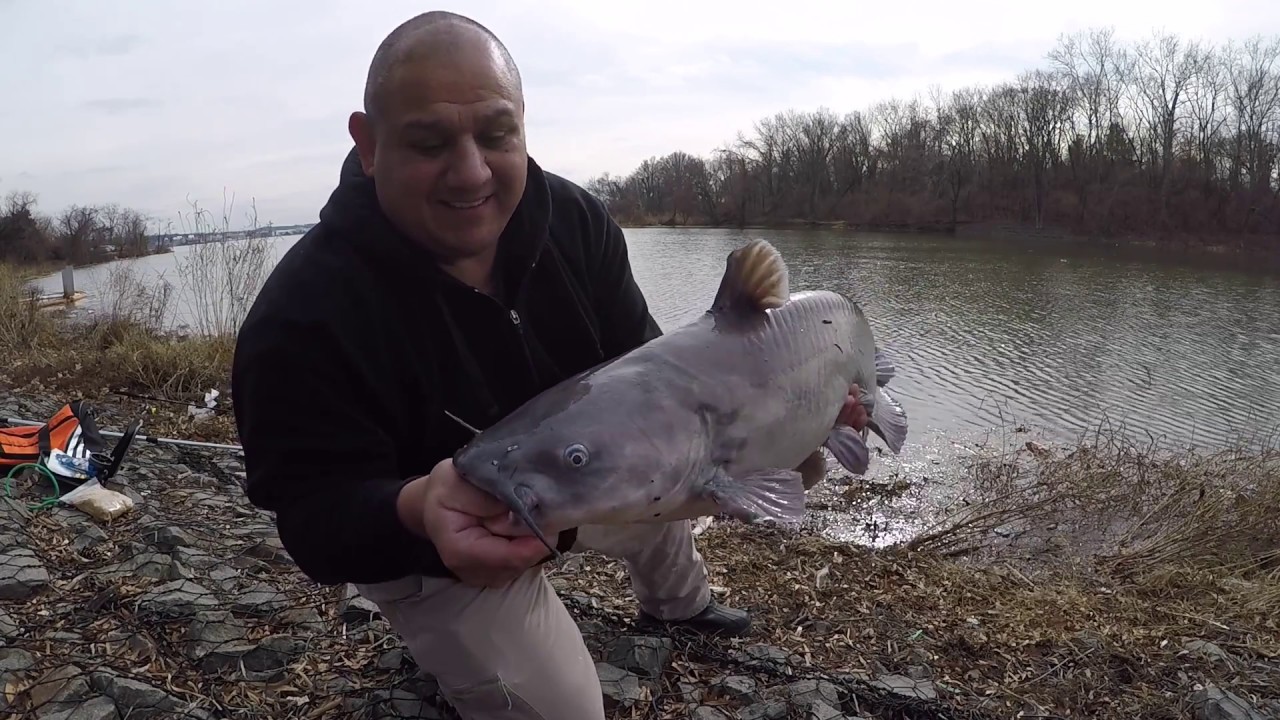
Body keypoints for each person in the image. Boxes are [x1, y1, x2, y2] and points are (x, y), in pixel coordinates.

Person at [231, 10, 870, 720]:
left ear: (524, 121)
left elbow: (652, 373)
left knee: (661, 453)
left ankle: (678, 606)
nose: (470, 170)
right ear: (369, 144)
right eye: (430, 141)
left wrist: (796, 408)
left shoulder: (575, 222)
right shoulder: (302, 316)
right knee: (563, 708)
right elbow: (312, 519)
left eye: (495, 133)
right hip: (432, 536)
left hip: (566, 470)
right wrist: (414, 511)